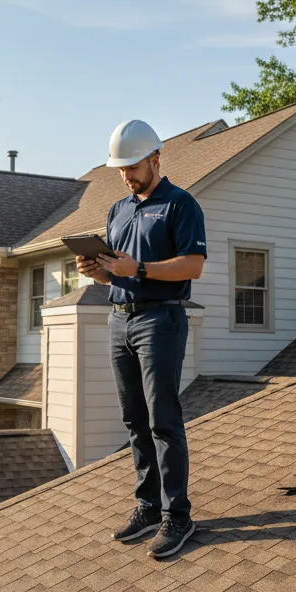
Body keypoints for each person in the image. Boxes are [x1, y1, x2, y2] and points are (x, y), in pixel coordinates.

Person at [76, 119, 206, 559]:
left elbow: (192, 266)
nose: (127, 175)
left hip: (160, 321)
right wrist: (97, 272)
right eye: (121, 168)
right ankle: (149, 506)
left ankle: (178, 516)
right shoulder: (117, 210)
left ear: (154, 158)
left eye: (133, 166)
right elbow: (117, 268)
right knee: (134, 420)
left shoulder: (180, 204)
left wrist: (142, 270)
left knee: (163, 420)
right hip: (118, 320)